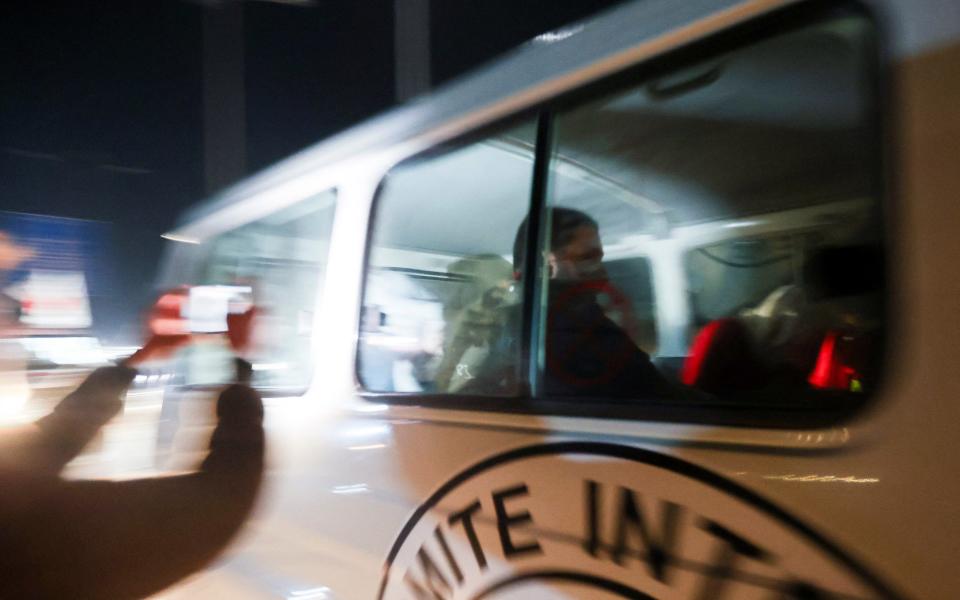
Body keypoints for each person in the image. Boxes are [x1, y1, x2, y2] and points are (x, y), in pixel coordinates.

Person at [0, 300, 265, 598]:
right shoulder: (35, 545)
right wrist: (239, 368)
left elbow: (47, 445)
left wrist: (137, 361)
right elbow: (218, 504)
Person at [456, 207, 675, 399]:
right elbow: (655, 391)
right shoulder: (575, 328)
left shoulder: (512, 325)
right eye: (589, 259)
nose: (604, 275)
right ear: (548, 264)